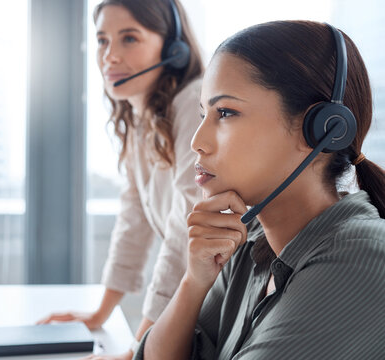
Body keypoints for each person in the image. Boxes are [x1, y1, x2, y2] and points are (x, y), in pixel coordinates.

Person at [134, 20, 385, 359]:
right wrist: (194, 281)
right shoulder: (247, 240)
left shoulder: (361, 257)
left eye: (225, 112)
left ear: (323, 129)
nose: (197, 142)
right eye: (203, 114)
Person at [38, 0, 204, 358]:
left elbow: (186, 231)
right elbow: (134, 219)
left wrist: (138, 347)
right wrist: (100, 313)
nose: (109, 56)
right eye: (102, 40)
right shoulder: (140, 117)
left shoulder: (193, 103)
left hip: (227, 297)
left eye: (129, 38)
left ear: (173, 48)